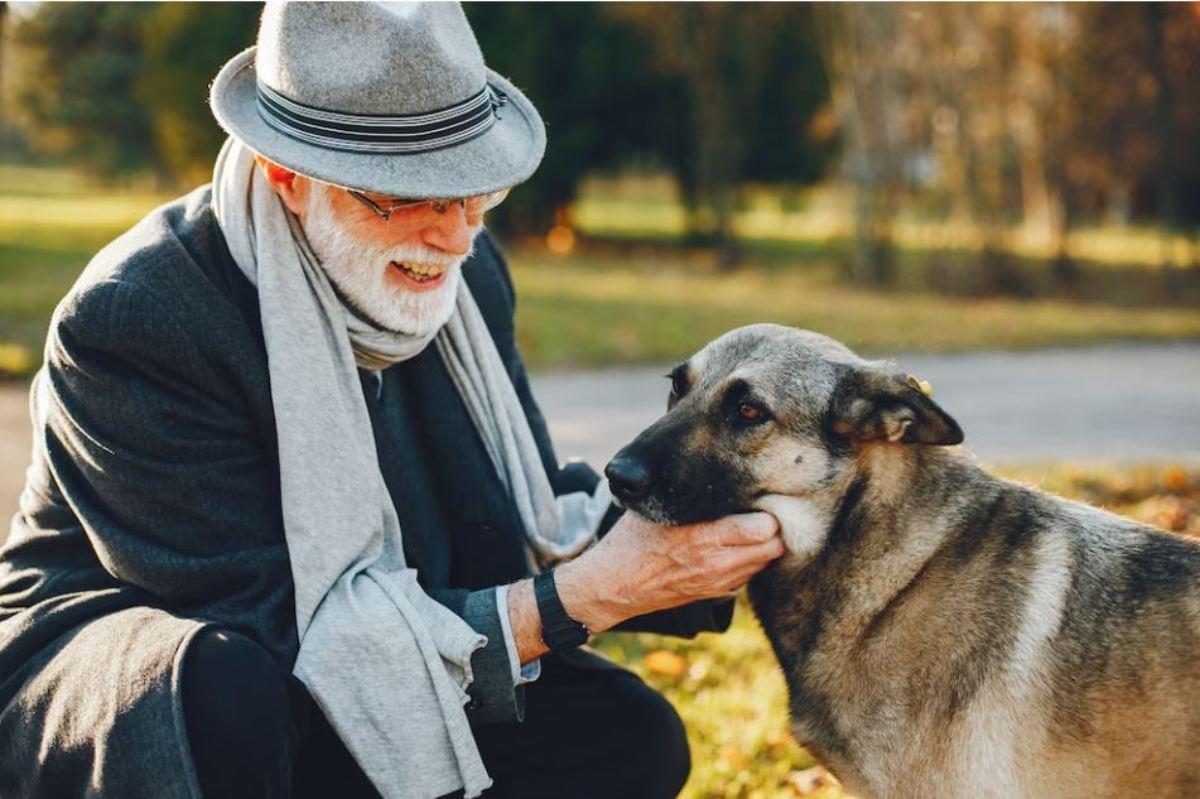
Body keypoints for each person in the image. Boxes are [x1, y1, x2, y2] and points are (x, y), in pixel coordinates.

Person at [0, 4, 784, 798]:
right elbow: (280, 635)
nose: (453, 234)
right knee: (222, 693)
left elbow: (517, 517)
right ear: (287, 175)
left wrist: (720, 516)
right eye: (407, 194)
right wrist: (590, 592)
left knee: (628, 736)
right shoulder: (140, 316)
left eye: (472, 189)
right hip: (162, 675)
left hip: (384, 634)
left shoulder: (467, 278)